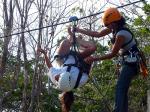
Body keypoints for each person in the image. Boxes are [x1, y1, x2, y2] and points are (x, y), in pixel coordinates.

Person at [75, 7, 140, 112]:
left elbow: (112, 54)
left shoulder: (121, 34)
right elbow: (97, 34)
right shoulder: (114, 28)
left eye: (108, 24)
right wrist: (78, 30)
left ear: (114, 22)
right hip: (127, 62)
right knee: (123, 88)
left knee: (120, 87)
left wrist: (94, 58)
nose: (108, 27)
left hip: (132, 64)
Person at [37, 27, 96, 112]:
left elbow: (50, 66)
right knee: (93, 48)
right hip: (78, 58)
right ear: (70, 79)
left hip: (63, 58)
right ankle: (74, 40)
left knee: (65, 42)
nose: (57, 76)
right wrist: (88, 61)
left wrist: (44, 54)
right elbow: (88, 65)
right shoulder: (79, 81)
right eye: (58, 77)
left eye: (58, 77)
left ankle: (72, 40)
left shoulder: (56, 81)